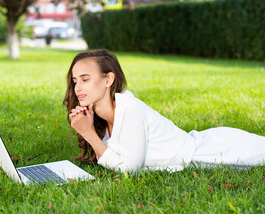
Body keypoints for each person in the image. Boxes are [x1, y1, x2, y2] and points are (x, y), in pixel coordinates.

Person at [63, 49, 265, 173]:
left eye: (85, 79)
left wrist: (88, 133)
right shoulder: (100, 116)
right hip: (204, 146)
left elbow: (128, 170)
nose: (77, 87)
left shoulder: (128, 108)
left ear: (108, 79)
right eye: (75, 81)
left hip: (215, 151)